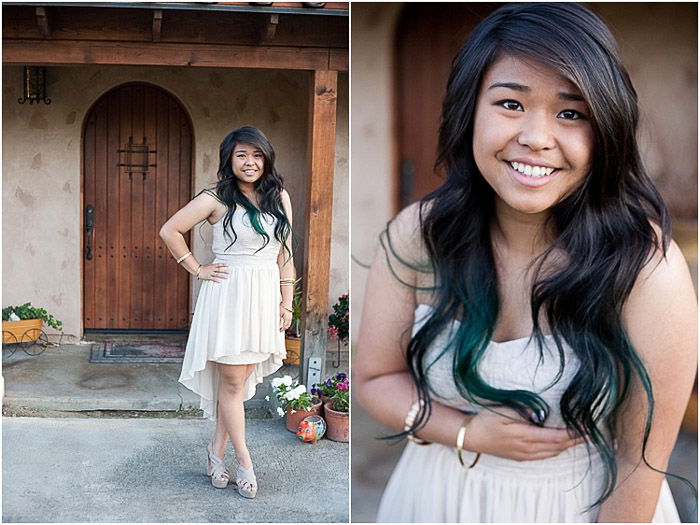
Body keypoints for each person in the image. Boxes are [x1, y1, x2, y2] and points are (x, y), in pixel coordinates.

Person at [354, 3, 697, 522]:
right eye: (511, 103)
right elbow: (376, 378)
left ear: (605, 128)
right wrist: (467, 431)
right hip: (436, 497)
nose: (537, 137)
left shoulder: (646, 267)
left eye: (570, 113)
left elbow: (639, 463)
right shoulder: (420, 234)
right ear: (470, 109)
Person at [160, 126, 294, 499]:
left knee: (233, 387)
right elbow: (170, 230)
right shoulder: (215, 198)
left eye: (256, 155)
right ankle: (245, 461)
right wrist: (197, 268)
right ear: (229, 159)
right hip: (229, 298)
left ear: (266, 159)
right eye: (241, 155)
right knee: (233, 385)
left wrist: (286, 303)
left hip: (264, 298)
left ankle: (214, 453)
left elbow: (285, 256)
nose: (249, 162)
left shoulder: (278, 197)